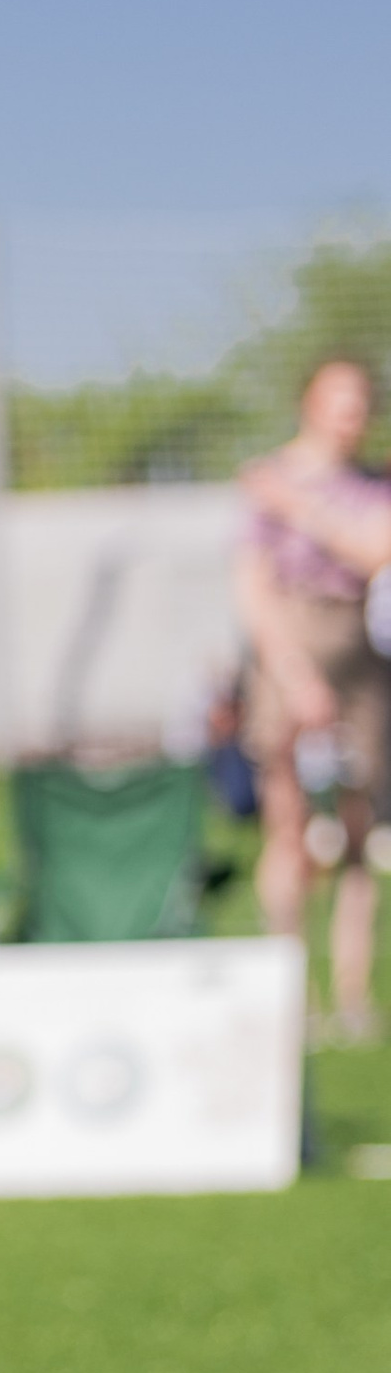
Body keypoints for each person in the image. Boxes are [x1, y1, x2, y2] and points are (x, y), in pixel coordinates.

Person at [235, 356, 391, 1041]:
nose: (351, 413)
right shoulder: (265, 474)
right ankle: (290, 993)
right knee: (289, 828)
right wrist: (295, 676)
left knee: (357, 832)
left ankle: (352, 998)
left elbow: (376, 552)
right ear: (310, 403)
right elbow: (253, 587)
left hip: (355, 647)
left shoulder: (370, 484)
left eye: (361, 400)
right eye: (339, 399)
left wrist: (299, 504)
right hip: (288, 647)